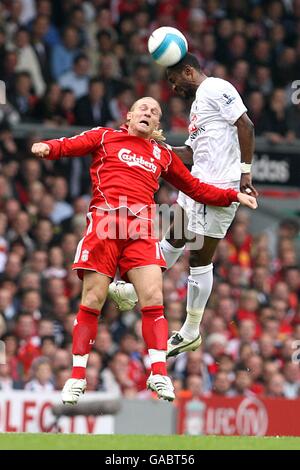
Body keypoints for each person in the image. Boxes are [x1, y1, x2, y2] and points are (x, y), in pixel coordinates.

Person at [32, 96, 257, 405]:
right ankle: (77, 376)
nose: (148, 112)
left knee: (153, 298)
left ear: (156, 124)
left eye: (154, 112)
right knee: (93, 300)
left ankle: (159, 372)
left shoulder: (161, 154)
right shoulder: (105, 136)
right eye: (143, 108)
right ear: (129, 115)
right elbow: (70, 145)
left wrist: (233, 195)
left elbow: (195, 187)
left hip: (140, 231)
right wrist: (48, 147)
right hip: (104, 226)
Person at [109, 53, 258, 358]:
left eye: (174, 80)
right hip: (196, 182)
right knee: (174, 237)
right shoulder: (198, 105)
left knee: (199, 260)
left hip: (219, 186)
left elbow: (246, 124)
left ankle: (191, 330)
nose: (173, 88)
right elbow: (191, 153)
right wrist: (157, 148)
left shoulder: (217, 87)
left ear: (188, 71)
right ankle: (135, 288)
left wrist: (245, 172)